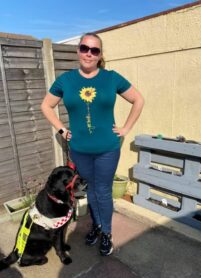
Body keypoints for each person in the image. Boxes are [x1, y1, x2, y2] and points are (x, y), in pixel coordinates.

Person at [41, 32, 144, 256]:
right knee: (91, 192)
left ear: (100, 55)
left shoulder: (112, 78)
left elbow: (138, 99)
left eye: (94, 50)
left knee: (103, 192)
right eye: (84, 48)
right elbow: (46, 106)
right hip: (80, 151)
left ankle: (106, 232)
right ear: (78, 50)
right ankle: (97, 226)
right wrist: (61, 129)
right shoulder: (66, 80)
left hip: (108, 149)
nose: (89, 53)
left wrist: (125, 128)